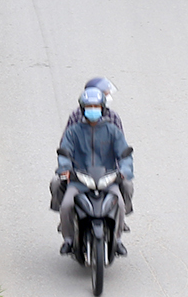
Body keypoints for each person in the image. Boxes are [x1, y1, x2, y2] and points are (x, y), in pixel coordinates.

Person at [54, 87, 133, 256]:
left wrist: (124, 170)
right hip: (80, 180)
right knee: (67, 205)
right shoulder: (73, 131)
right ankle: (68, 239)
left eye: (96, 107)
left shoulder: (112, 131)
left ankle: (117, 240)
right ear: (83, 109)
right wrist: (65, 169)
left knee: (119, 203)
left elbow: (124, 152)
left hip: (107, 178)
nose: (93, 110)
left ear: (103, 108)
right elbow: (64, 152)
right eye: (89, 107)